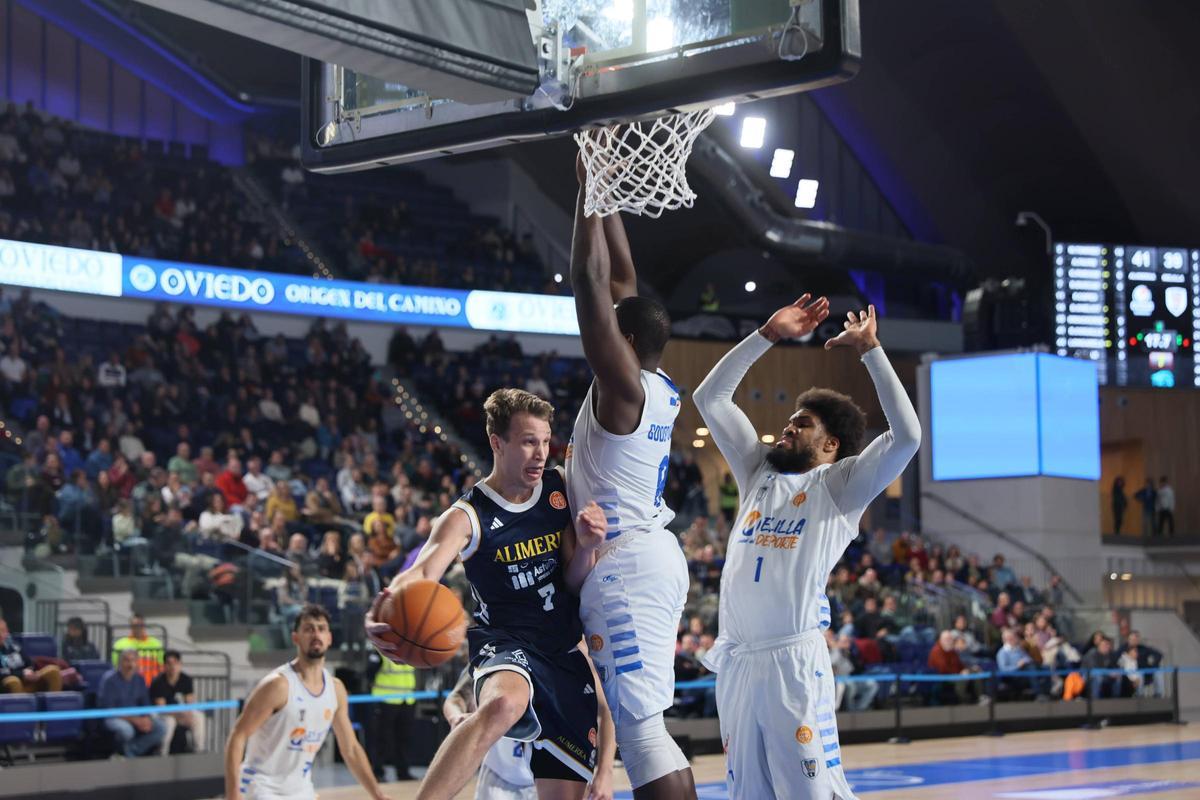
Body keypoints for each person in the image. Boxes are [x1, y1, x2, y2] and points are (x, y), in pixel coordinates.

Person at [692, 296, 920, 800]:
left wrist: (871, 351)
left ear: (831, 445)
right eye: (790, 420)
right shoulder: (757, 471)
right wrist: (768, 335)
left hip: (792, 663)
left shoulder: (838, 487)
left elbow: (906, 437)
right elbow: (711, 399)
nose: (788, 427)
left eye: (802, 424)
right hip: (737, 662)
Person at [367, 388, 615, 800]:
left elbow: (573, 581)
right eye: (528, 441)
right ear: (496, 442)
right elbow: (424, 570)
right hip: (506, 643)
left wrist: (588, 546)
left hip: (563, 652)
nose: (540, 453)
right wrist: (385, 605)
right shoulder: (467, 515)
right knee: (503, 704)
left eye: (544, 441)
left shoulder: (559, 488)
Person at [565, 155, 695, 799]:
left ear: (626, 343)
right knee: (648, 731)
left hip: (627, 567)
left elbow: (590, 281)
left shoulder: (624, 391)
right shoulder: (653, 383)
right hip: (643, 557)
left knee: (642, 735)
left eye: (612, 331)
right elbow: (621, 279)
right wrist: (603, 184)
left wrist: (586, 189)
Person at [225, 604, 385, 800]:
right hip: (261, 787)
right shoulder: (278, 685)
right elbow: (237, 736)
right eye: (308, 629)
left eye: (321, 628)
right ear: (296, 638)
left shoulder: (336, 690)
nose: (316, 634)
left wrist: (377, 794)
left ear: (329, 638)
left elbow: (350, 749)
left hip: (301, 790)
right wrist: (232, 794)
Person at [443, 664, 536, 800]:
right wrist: (456, 717)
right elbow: (457, 697)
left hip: (545, 779)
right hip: (497, 774)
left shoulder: (558, 661)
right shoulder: (490, 657)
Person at [99, 648, 167, 757]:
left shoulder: (140, 679)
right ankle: (125, 753)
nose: (130, 665)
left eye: (133, 660)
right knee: (127, 731)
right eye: (127, 660)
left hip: (137, 716)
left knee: (161, 727)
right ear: (120, 662)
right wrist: (135, 720)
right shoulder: (109, 680)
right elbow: (109, 709)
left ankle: (131, 750)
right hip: (114, 717)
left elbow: (145, 703)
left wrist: (146, 718)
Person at [150, 649, 207, 754]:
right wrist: (179, 716)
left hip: (181, 713)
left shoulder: (186, 679)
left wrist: (188, 714)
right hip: (162, 714)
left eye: (175, 663)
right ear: (164, 666)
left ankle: (199, 750)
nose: (173, 667)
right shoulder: (158, 682)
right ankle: (162, 752)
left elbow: (190, 702)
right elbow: (161, 708)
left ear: (180, 664)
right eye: (169, 663)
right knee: (169, 722)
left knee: (199, 717)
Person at [1, 614, 63, 693]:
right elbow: (2, 673)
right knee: (13, 681)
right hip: (7, 685)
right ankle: (19, 701)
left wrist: (30, 672)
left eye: (3, 630)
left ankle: (53, 700)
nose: (0, 634)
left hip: (27, 681)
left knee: (53, 671)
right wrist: (22, 674)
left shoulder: (14, 646)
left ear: (7, 632)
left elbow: (29, 662)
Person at [111, 614, 164, 685]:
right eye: (135, 625)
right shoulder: (119, 645)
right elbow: (115, 667)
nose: (138, 628)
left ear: (144, 625)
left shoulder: (156, 644)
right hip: (128, 685)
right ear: (131, 626)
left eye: (140, 625)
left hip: (152, 685)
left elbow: (162, 667)